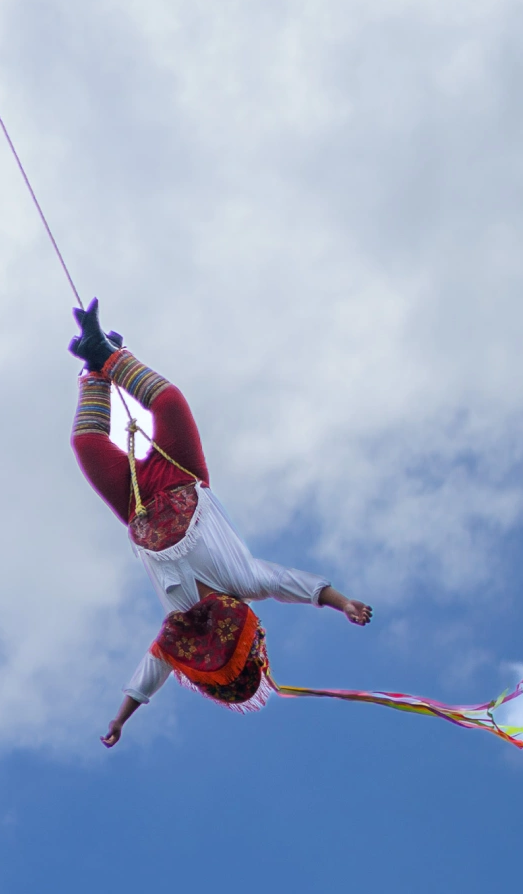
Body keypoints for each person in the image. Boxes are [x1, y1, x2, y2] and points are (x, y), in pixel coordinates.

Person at [69, 299, 372, 748]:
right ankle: (112, 355)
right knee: (170, 403)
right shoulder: (244, 580)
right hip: (182, 473)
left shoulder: (179, 621)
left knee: (86, 445)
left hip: (135, 505)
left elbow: (151, 672)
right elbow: (298, 585)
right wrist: (344, 603)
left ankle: (94, 367)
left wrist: (120, 720)